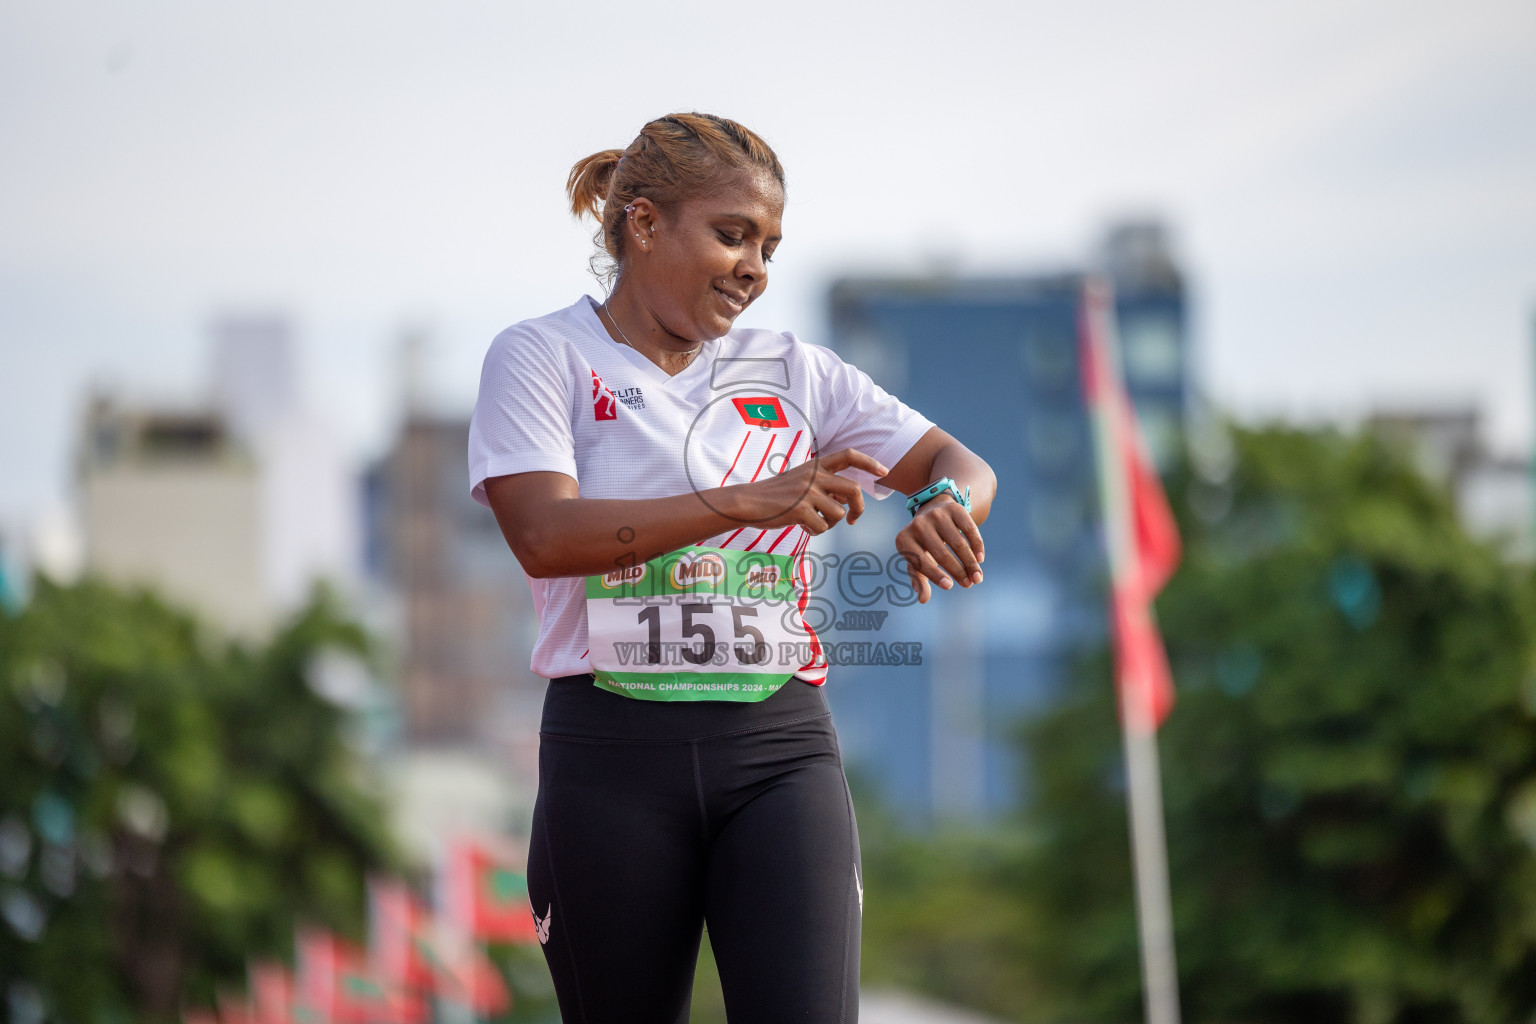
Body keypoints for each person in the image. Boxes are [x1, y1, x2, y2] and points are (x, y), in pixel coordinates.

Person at [468, 112, 996, 1024]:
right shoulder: (541, 356)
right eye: (732, 234)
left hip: (778, 749)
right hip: (610, 755)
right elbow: (545, 537)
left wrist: (942, 507)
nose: (755, 265)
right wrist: (743, 502)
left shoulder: (797, 369)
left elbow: (962, 464)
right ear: (642, 223)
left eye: (770, 246)